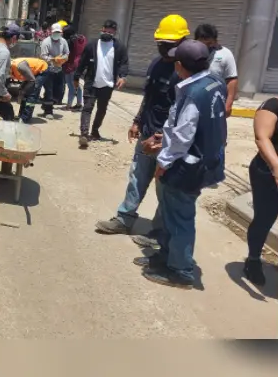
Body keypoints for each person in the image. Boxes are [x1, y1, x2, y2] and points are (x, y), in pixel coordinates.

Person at [136, 40, 227, 289]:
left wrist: (162, 161)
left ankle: (181, 271)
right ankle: (166, 257)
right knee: (170, 213)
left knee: (180, 218)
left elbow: (184, 134)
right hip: (203, 161)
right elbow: (191, 126)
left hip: (187, 166)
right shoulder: (214, 83)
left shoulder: (191, 92)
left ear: (179, 66)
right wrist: (162, 137)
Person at [95, 15, 191, 243]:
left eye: (169, 44)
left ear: (183, 42)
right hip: (148, 131)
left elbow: (186, 112)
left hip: (168, 139)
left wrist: (165, 137)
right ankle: (124, 218)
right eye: (161, 43)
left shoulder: (186, 72)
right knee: (137, 177)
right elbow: (148, 96)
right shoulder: (156, 64)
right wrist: (137, 121)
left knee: (164, 186)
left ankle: (160, 232)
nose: (163, 48)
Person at [75, 19, 129, 147]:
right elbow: (82, 63)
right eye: (105, 30)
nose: (107, 33)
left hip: (107, 85)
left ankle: (94, 131)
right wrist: (76, 77)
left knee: (102, 110)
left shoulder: (119, 47)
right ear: (102, 29)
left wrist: (122, 77)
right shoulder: (92, 45)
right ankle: (84, 134)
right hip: (91, 83)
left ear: (114, 32)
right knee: (87, 108)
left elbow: (124, 63)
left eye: (110, 32)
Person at [243, 96, 278, 286]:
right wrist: (277, 166)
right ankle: (254, 259)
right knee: (265, 218)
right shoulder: (274, 105)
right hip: (268, 173)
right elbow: (262, 137)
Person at [194, 24, 239, 116]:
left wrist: (228, 104)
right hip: (193, 98)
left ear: (215, 41)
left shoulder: (225, 54)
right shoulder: (191, 52)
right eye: (202, 43)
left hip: (215, 100)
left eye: (209, 43)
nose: (206, 47)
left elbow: (232, 79)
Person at [38, 23, 69, 117]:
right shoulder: (46, 42)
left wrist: (62, 59)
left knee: (59, 91)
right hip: (48, 69)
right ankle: (48, 111)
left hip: (59, 69)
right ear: (51, 32)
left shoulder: (63, 41)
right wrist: (53, 60)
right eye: (55, 32)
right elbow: (43, 56)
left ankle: (46, 104)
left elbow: (67, 53)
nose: (57, 34)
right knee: (49, 90)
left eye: (58, 32)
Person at [10, 57, 49, 123]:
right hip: (32, 73)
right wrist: (22, 89)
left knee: (32, 94)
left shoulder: (20, 66)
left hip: (41, 69)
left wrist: (24, 91)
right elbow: (26, 77)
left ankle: (25, 118)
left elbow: (32, 80)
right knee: (24, 93)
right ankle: (21, 115)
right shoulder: (9, 68)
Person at [61, 26, 87, 111]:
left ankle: (68, 105)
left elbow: (66, 53)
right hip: (79, 64)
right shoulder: (82, 38)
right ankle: (79, 104)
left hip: (70, 64)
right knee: (76, 84)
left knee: (71, 85)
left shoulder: (70, 40)